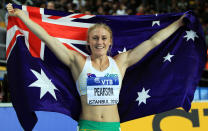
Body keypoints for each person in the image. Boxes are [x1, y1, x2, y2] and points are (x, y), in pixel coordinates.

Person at [6, 3, 185, 131]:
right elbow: (47, 38)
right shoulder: (77, 61)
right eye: (95, 38)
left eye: (104, 38)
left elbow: (154, 41)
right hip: (87, 127)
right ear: (88, 42)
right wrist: (22, 17)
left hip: (113, 127)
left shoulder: (121, 62)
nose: (100, 42)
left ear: (110, 43)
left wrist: (178, 24)